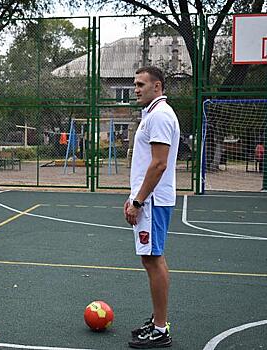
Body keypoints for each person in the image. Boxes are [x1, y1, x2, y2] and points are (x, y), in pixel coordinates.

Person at [125, 67, 179, 349]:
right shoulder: (154, 114)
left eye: (140, 84)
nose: (135, 89)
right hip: (151, 198)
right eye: (134, 84)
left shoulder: (159, 116)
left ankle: (160, 329)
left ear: (157, 86)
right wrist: (134, 195)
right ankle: (159, 321)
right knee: (152, 258)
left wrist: (138, 200)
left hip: (153, 201)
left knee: (153, 259)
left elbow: (159, 163)